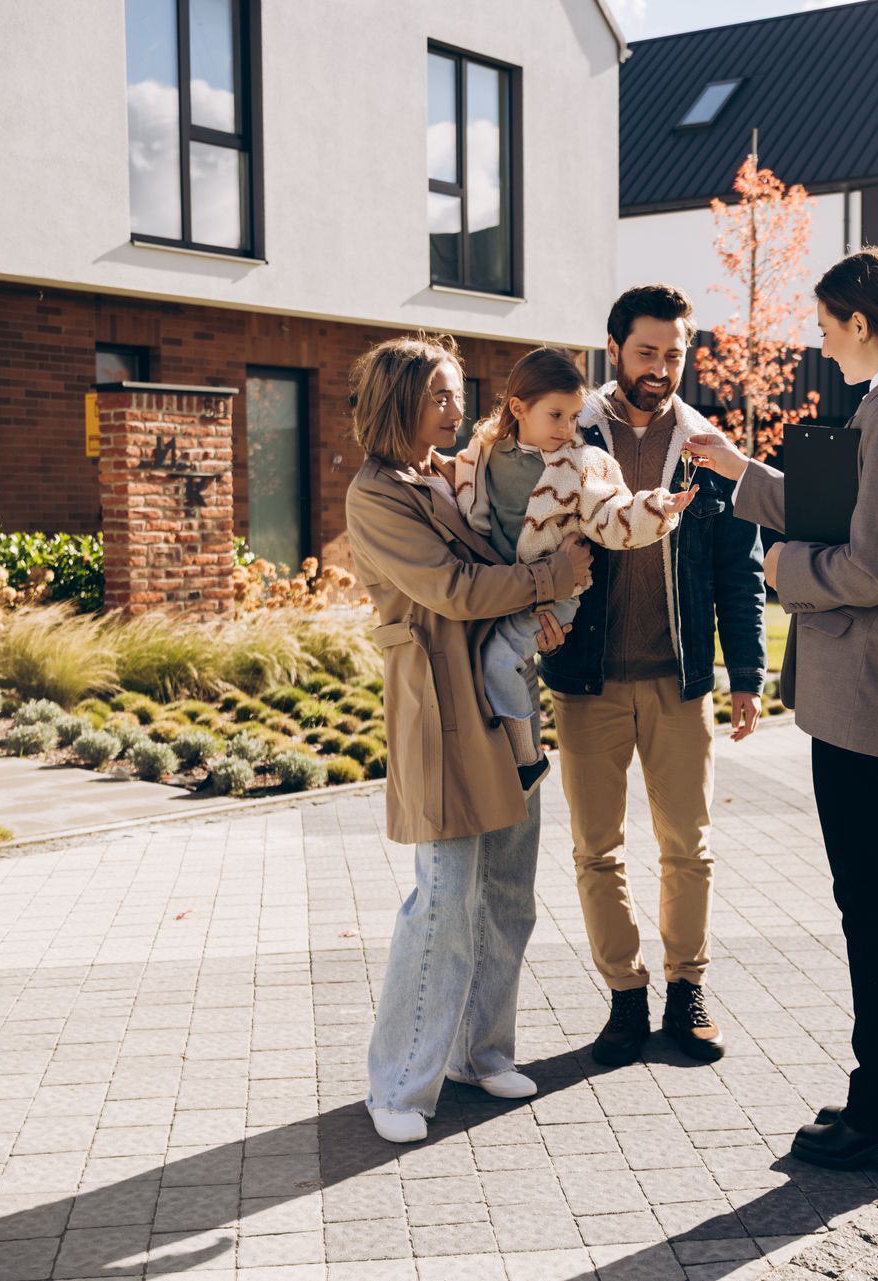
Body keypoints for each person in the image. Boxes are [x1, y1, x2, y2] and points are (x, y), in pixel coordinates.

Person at [683, 247, 878, 1181]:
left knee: (875, 903)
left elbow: (869, 567)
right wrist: (738, 469)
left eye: (824, 326)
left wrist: (780, 572)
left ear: (861, 322)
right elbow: (840, 512)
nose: (819, 343)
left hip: (869, 695)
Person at [344, 334, 594, 1145]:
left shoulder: (447, 477)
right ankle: (399, 1085)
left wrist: (539, 617)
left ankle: (480, 1053)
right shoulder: (377, 494)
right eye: (442, 395)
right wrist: (554, 581)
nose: (459, 409)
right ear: (400, 401)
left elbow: (500, 561)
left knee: (509, 891)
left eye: (459, 394)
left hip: (502, 697)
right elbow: (452, 589)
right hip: (439, 706)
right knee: (445, 899)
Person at [540, 285, 769, 1068]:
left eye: (673, 354)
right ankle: (624, 997)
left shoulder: (708, 447)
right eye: (646, 352)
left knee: (688, 848)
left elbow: (741, 571)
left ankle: (686, 991)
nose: (661, 369)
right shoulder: (574, 435)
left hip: (679, 684)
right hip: (588, 681)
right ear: (614, 349)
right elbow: (527, 530)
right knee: (596, 849)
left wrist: (747, 671)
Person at [449, 346, 698, 794]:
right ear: (518, 408)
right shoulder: (482, 453)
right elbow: (461, 497)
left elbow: (613, 515)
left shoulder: (583, 464)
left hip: (554, 598)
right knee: (477, 667)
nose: (568, 429)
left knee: (498, 660)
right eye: (556, 416)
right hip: (504, 590)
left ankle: (527, 759)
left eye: (574, 416)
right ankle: (498, 756)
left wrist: (657, 507)